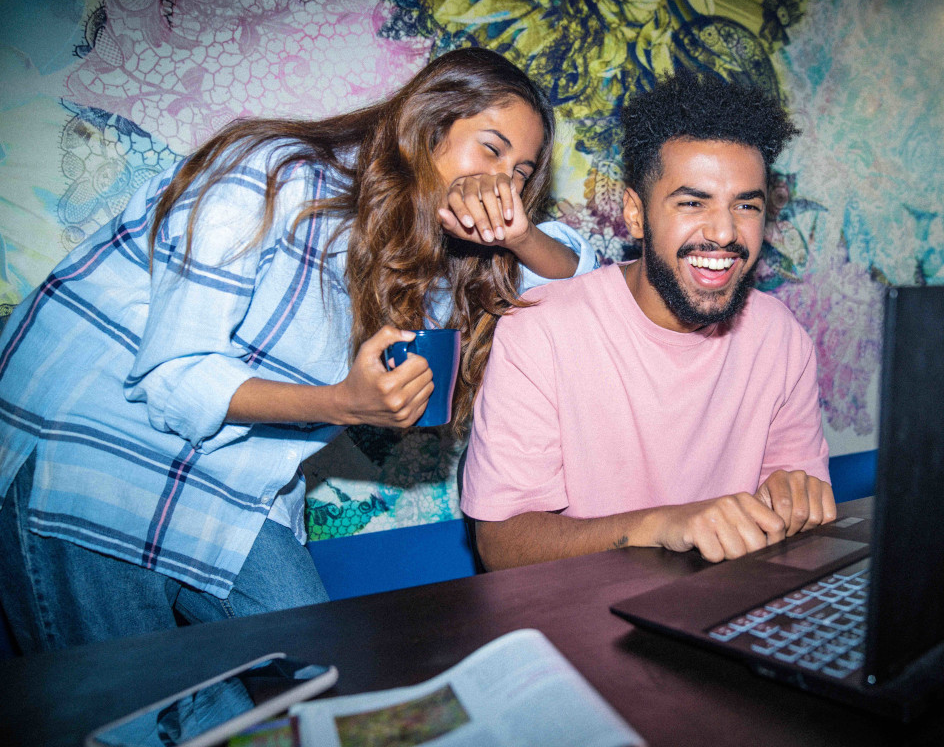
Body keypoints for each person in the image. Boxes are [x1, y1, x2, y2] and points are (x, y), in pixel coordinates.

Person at [0, 48, 598, 652]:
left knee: (318, 681)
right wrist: (345, 403)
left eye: (521, 175)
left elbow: (581, 287)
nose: (502, 184)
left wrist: (521, 234)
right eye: (491, 150)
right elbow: (175, 379)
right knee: (127, 718)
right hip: (94, 449)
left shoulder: (444, 259)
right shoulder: (272, 175)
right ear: (427, 128)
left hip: (235, 481)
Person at [461, 71, 836, 571]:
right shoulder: (539, 333)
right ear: (636, 215)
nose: (724, 232)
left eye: (746, 205)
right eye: (692, 203)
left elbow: (790, 506)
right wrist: (660, 525)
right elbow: (501, 545)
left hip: (727, 618)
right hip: (586, 626)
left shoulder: (781, 337)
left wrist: (795, 499)